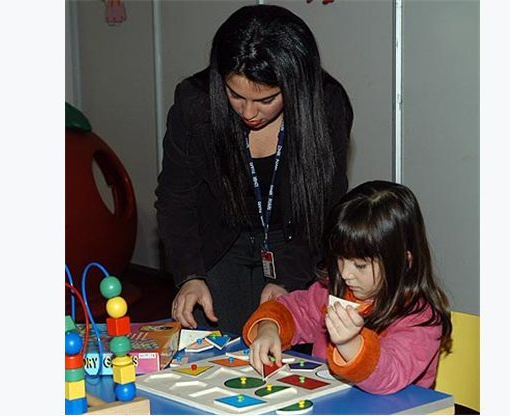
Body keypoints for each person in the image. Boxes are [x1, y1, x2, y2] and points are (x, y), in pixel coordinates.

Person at [155, 4, 353, 335]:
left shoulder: (326, 105)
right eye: (235, 95)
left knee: (286, 345)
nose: (249, 112)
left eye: (266, 100)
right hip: (219, 239)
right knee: (217, 345)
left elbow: (324, 205)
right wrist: (190, 275)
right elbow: (176, 197)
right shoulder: (195, 103)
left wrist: (288, 278)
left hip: (296, 239)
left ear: (295, 86)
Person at [242, 181, 452, 395]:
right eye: (340, 258)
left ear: (403, 263)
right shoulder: (332, 291)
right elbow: (294, 310)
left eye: (360, 265)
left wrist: (351, 343)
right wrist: (269, 328)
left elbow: (390, 376)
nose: (345, 273)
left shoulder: (421, 319)